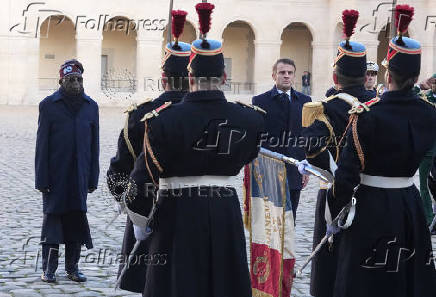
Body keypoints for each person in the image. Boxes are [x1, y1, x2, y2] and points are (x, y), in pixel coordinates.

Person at [132, 3, 265, 296]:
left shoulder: (162, 121)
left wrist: (141, 222)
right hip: (224, 211)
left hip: (176, 214)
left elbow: (141, 182)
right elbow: (249, 156)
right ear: (224, 77)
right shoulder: (251, 120)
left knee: (176, 284)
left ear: (190, 77)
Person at [326, 5, 436, 296]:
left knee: (365, 281)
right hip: (409, 205)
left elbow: (347, 175)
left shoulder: (367, 114)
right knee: (408, 279)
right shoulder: (429, 113)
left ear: (388, 74)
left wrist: (334, 211)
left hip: (371, 207)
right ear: (415, 74)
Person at [106, 10, 191, 293]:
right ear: (191, 78)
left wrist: (127, 204)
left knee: (150, 282)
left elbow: (118, 171)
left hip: (146, 209)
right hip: (194, 213)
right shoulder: (209, 115)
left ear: (163, 78)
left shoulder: (140, 115)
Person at [299, 9, 376, 297]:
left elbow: (312, 148)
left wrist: (321, 167)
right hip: (372, 194)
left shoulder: (325, 108)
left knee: (330, 261)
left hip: (333, 192)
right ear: (364, 75)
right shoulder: (378, 105)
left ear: (335, 74)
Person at [35, 59, 99, 283]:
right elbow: (41, 146)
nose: (76, 83)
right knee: (52, 226)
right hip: (55, 177)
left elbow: (94, 145)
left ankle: (72, 268)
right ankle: (49, 269)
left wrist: (92, 177)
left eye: (79, 79)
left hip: (79, 176)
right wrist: (41, 179)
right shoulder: (48, 105)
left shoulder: (91, 107)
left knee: (76, 223)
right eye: (71, 79)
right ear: (61, 80)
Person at [252, 58, 311, 221]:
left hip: (295, 169)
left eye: (290, 73)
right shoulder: (259, 101)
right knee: (269, 220)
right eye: (282, 72)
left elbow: (306, 135)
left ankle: (287, 247)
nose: (286, 76)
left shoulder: (306, 102)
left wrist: (306, 165)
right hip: (269, 169)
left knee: (290, 218)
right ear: (274, 75)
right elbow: (257, 137)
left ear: (294, 76)